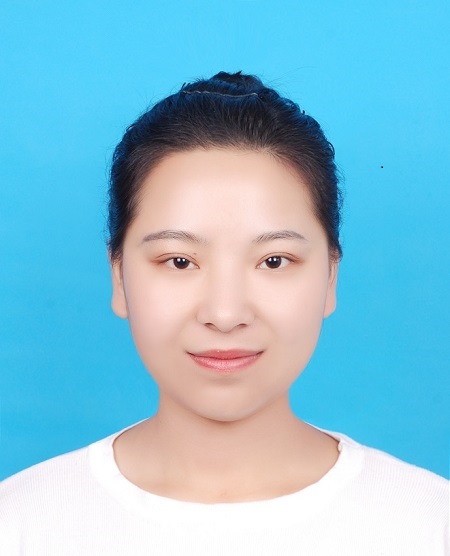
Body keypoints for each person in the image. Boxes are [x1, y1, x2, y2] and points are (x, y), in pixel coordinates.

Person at [0, 71, 448, 555]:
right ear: (119, 276)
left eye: (273, 261)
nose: (225, 313)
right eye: (179, 261)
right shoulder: (21, 523)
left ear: (330, 277)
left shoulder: (427, 524)